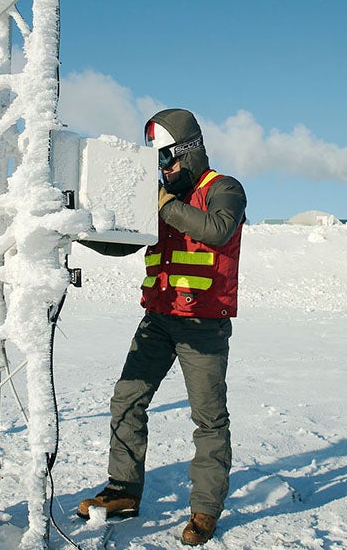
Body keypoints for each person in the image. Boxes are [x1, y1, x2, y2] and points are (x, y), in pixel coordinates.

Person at [77, 108, 247, 546]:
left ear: (190, 152)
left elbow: (218, 230)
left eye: (169, 159)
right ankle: (123, 491)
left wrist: (163, 203)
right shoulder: (160, 194)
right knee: (127, 399)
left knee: (208, 419)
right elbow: (123, 244)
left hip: (203, 327)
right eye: (158, 162)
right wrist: (76, 226)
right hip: (157, 318)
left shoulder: (223, 190)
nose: (164, 169)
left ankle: (205, 510)